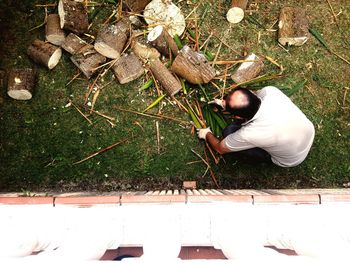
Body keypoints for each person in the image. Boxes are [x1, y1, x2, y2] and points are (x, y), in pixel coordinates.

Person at [197, 86, 315, 167]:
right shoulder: (270, 92)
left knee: (229, 132)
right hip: (307, 132)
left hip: (290, 159)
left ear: (238, 117)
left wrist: (206, 133)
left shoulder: (249, 134)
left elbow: (219, 148)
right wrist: (225, 104)